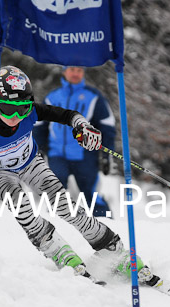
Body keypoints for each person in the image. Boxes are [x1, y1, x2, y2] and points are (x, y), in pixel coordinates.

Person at [0, 65, 159, 286]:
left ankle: (113, 250)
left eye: (22, 109)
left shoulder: (31, 112)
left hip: (30, 162)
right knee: (21, 206)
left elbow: (68, 115)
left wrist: (83, 126)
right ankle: (56, 249)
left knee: (64, 205)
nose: (15, 116)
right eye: (6, 108)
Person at [33, 66, 114, 218]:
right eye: (72, 70)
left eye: (79, 70)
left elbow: (107, 126)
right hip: (57, 154)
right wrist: (39, 149)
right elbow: (40, 125)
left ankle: (109, 224)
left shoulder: (93, 97)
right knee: (55, 192)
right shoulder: (53, 97)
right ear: (64, 71)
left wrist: (106, 154)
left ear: (83, 73)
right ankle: (57, 224)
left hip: (85, 155)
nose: (75, 73)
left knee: (90, 193)